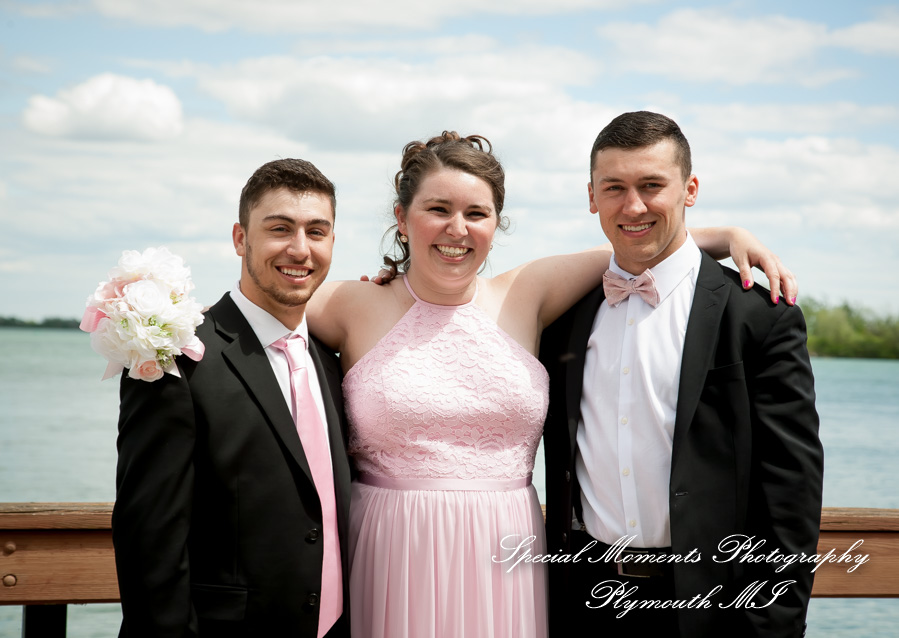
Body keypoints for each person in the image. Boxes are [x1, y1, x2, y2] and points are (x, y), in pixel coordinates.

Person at [307, 131, 796, 638]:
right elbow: (262, 313)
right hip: (391, 549)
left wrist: (728, 235)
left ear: (496, 225)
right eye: (437, 208)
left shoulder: (526, 293)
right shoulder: (349, 304)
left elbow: (635, 241)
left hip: (507, 551)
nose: (458, 228)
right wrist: (212, 335)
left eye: (477, 213)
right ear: (401, 218)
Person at [540, 111, 824, 637]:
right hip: (582, 602)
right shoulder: (562, 318)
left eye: (653, 186)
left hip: (711, 609)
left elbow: (791, 495)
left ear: (690, 188)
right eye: (615, 188)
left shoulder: (760, 317)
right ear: (591, 196)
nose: (634, 205)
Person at [113, 158, 352, 637]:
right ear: (241, 238)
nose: (300, 249)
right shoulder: (178, 357)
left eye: (317, 231)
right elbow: (149, 540)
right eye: (280, 228)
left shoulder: (334, 359)